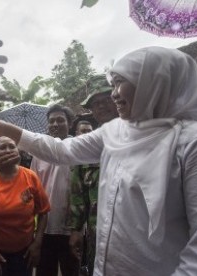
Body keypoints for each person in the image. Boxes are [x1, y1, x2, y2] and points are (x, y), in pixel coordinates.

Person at [0, 46, 197, 275]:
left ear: (153, 83)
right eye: (113, 84)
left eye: (120, 83)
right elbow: (61, 151)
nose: (113, 94)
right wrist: (4, 130)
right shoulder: (115, 132)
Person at [0, 136, 50, 276]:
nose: (8, 150)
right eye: (3, 147)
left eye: (12, 146)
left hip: (24, 253)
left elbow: (43, 212)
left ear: (18, 150)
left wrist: (37, 244)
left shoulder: (30, 177)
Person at [69, 75, 118, 275]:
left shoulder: (139, 136)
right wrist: (76, 230)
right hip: (97, 233)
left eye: (107, 100)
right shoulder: (89, 145)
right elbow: (78, 193)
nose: (101, 107)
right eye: (95, 104)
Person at [29, 104, 79, 276]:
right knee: (44, 271)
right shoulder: (39, 152)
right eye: (51, 121)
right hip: (45, 228)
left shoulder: (78, 149)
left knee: (71, 271)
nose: (55, 124)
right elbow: (33, 189)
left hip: (71, 228)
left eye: (60, 120)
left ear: (70, 123)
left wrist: (79, 229)